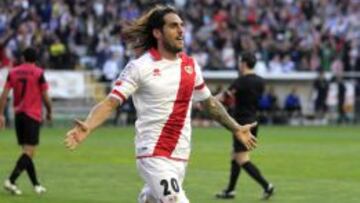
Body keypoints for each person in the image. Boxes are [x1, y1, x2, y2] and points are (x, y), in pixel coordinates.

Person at [64, 5, 257, 203]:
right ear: (157, 32)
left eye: (181, 25)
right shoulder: (140, 67)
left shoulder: (190, 66)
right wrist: (88, 125)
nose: (181, 30)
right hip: (153, 153)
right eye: (173, 26)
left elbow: (209, 103)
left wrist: (235, 128)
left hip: (180, 155)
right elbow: (111, 102)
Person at [215, 52, 274, 200]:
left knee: (241, 158)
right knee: (235, 156)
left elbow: (224, 97)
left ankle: (267, 186)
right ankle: (230, 191)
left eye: (240, 62)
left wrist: (207, 101)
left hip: (241, 123)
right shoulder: (261, 81)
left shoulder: (241, 81)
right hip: (254, 120)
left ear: (244, 63)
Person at [0, 47, 52, 195]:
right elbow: (45, 96)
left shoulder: (13, 72)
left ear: (23, 58)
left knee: (27, 152)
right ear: (35, 59)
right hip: (32, 115)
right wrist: (49, 111)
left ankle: (36, 185)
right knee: (29, 152)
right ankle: (10, 180)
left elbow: (4, 94)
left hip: (18, 115)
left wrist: (1, 115)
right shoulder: (38, 73)